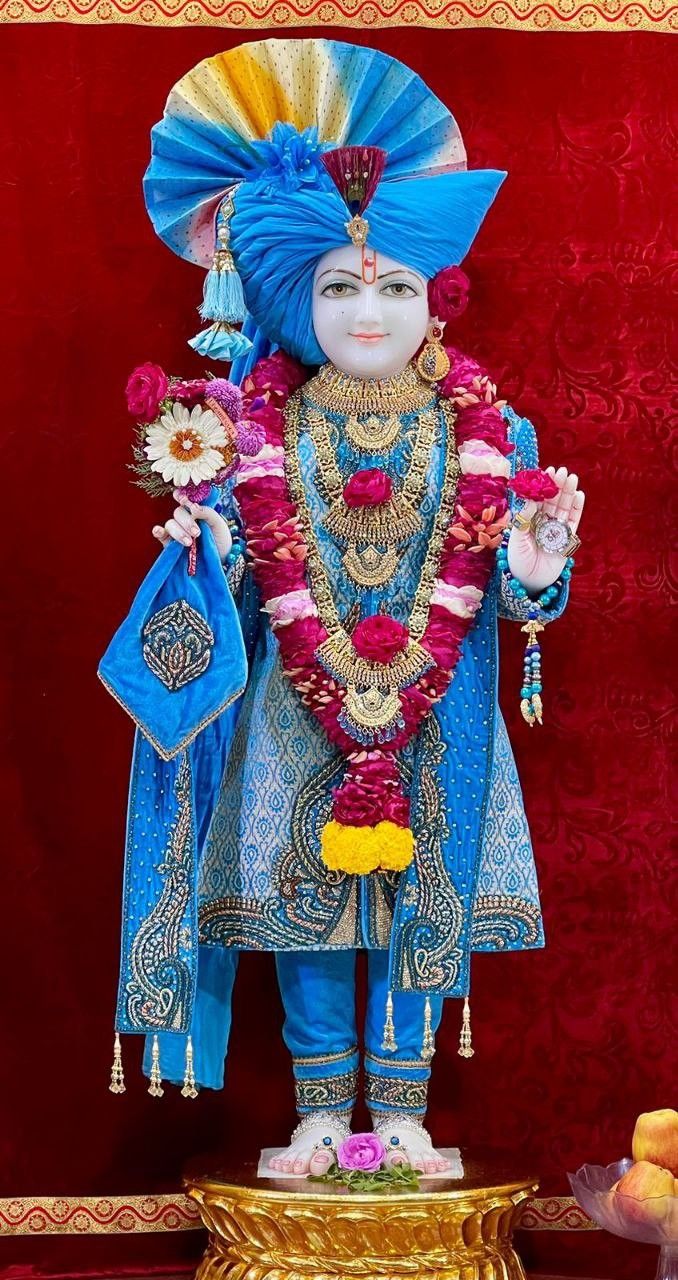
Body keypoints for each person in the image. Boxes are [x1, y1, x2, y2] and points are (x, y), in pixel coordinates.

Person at [101, 38, 584, 1178]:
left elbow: (520, 596)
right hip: (293, 706)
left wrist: (535, 556)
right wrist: (204, 551)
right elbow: (225, 606)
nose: (370, 313)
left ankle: (403, 1107)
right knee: (303, 903)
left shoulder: (490, 433)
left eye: (395, 287)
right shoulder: (249, 432)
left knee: (421, 893)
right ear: (293, 299)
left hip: (439, 699)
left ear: (436, 301)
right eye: (340, 287)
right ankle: (324, 1106)